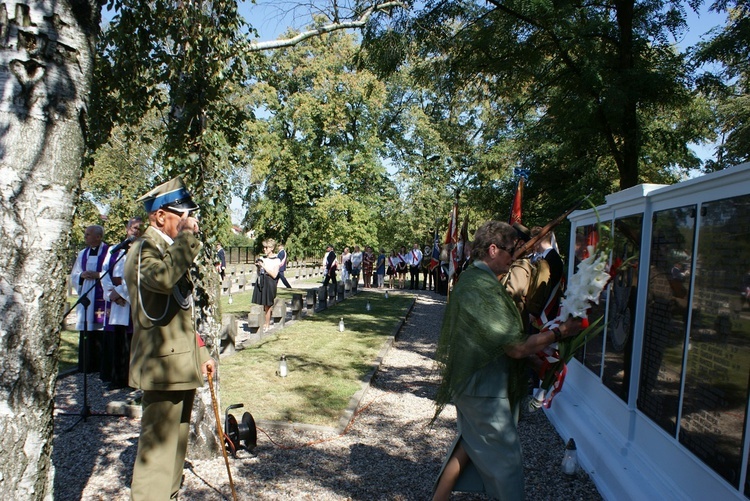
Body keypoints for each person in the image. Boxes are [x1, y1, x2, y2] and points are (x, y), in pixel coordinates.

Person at [432, 221, 583, 501]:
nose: (515, 257)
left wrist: (537, 363)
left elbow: (492, 340)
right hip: (483, 389)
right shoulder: (481, 287)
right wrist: (560, 332)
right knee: (508, 464)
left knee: (468, 445)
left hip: (476, 384)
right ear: (492, 249)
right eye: (511, 251)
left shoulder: (477, 280)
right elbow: (513, 346)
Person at [124, 177, 215, 501]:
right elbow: (162, 281)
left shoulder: (166, 250)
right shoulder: (144, 250)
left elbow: (181, 315)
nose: (191, 222)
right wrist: (189, 239)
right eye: (183, 215)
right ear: (160, 216)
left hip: (178, 363)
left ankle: (169, 494)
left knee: (174, 445)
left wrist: (202, 355)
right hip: (161, 366)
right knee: (157, 451)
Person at [101, 217, 142, 390]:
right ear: (127, 229)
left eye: (139, 228)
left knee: (132, 341)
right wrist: (111, 293)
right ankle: (116, 378)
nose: (135, 231)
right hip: (116, 302)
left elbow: (138, 275)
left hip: (131, 300)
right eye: (133, 228)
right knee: (117, 341)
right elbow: (104, 272)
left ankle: (133, 379)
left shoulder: (143, 250)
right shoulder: (115, 249)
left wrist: (122, 293)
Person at [70, 224, 109, 374]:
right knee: (87, 330)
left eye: (88, 234)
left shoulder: (108, 252)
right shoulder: (82, 253)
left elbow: (112, 272)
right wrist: (81, 275)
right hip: (88, 292)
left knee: (100, 330)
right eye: (85, 234)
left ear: (98, 237)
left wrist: (98, 275)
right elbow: (75, 273)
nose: (85, 237)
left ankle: (100, 365)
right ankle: (86, 364)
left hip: (101, 295)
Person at [528, 226, 564, 332]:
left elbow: (544, 288)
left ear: (538, 240)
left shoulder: (552, 259)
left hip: (545, 311)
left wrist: (534, 312)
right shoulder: (545, 257)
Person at [253, 239, 281, 331]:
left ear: (272, 248)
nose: (264, 249)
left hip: (270, 282)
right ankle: (261, 323)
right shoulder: (263, 258)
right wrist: (258, 267)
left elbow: (274, 274)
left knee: (268, 305)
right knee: (261, 304)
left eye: (267, 247)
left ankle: (267, 324)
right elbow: (259, 272)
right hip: (262, 280)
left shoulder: (276, 260)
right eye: (264, 247)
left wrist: (264, 266)